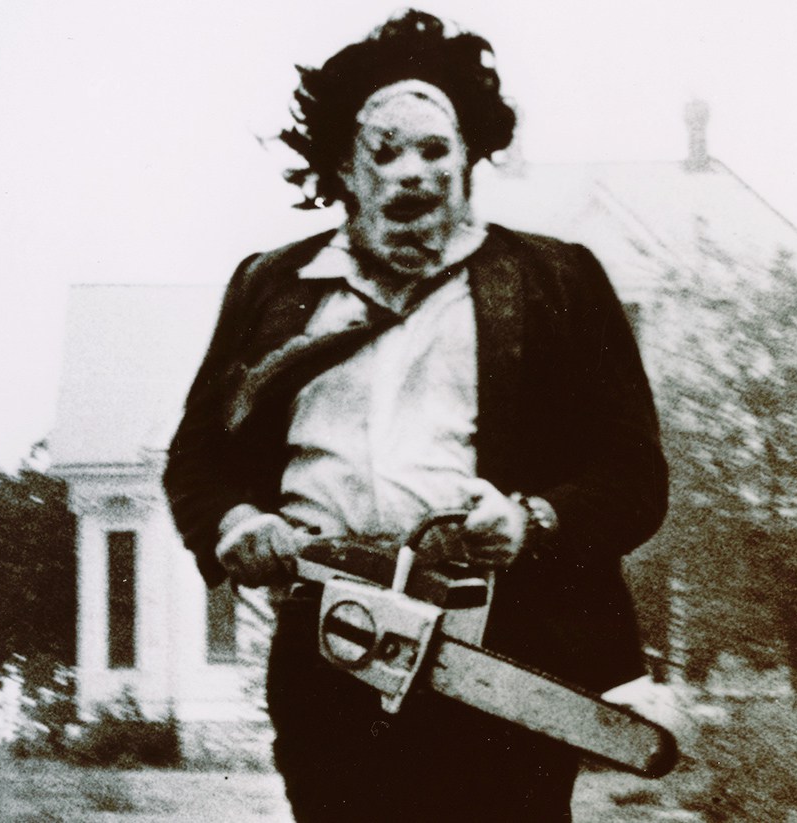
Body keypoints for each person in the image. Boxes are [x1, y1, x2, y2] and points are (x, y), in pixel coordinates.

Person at [163, 10, 668, 821]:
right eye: (385, 150)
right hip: (328, 650)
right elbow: (197, 461)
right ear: (344, 166)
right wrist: (236, 522)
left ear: (469, 157)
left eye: (435, 149)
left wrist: (531, 520)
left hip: (498, 658)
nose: (413, 173)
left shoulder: (555, 283)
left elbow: (634, 478)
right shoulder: (271, 289)